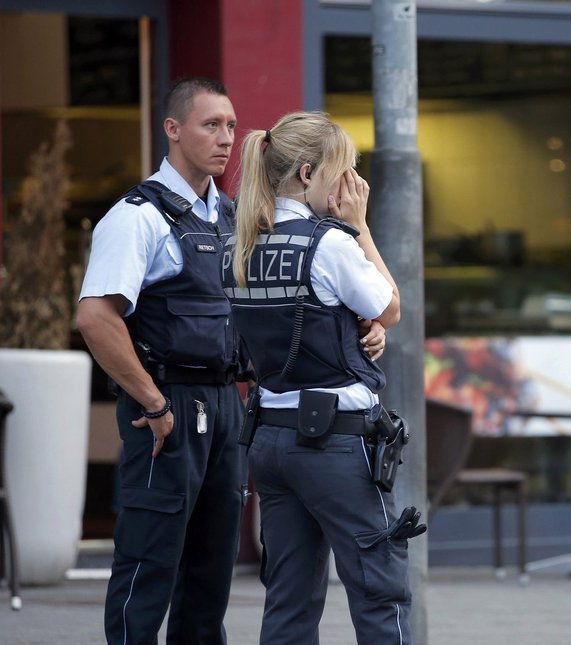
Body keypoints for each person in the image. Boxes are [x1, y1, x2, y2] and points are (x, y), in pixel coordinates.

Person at [224, 111, 422, 644]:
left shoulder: (240, 245)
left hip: (269, 440)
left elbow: (304, 321)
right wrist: (360, 226)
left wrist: (361, 331)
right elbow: (391, 304)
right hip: (336, 443)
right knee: (381, 593)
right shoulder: (330, 243)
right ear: (309, 174)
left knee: (288, 599)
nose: (351, 185)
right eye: (344, 171)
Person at [76, 77, 246, 644]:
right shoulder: (137, 216)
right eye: (210, 125)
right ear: (173, 129)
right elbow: (96, 317)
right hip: (167, 408)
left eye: (229, 125)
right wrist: (151, 400)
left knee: (210, 575)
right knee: (149, 565)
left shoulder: (230, 214)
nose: (226, 138)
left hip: (224, 406)